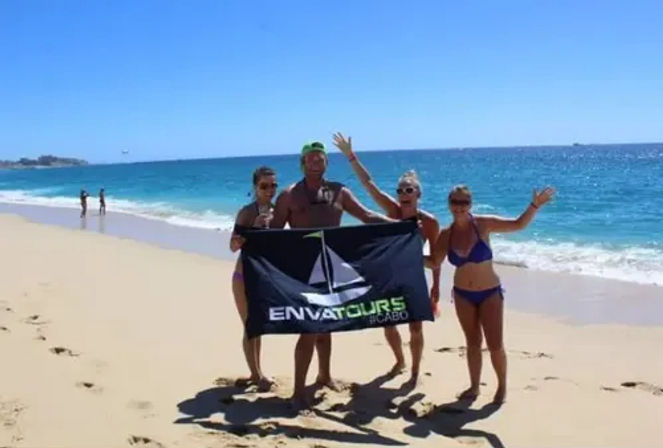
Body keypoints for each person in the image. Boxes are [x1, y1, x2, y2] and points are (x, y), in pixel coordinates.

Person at [269, 141, 396, 409]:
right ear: (302, 163)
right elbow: (274, 234)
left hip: (332, 268)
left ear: (327, 162)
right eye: (311, 159)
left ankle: (324, 375)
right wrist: (250, 233)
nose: (316, 162)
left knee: (325, 325)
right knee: (309, 329)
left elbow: (366, 216)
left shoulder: (339, 192)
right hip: (303, 271)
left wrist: (399, 226)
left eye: (320, 158)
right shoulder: (289, 195)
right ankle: (298, 392)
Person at [426, 184, 555, 404]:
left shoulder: (483, 225)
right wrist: (403, 255)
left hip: (490, 293)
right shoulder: (447, 234)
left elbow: (517, 225)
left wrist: (534, 205)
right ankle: (474, 387)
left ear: (470, 204)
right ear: (449, 204)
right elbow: (434, 262)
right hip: (462, 294)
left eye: (463, 202)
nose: (459, 207)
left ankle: (502, 386)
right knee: (473, 343)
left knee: (495, 344)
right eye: (455, 202)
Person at [333, 132, 440, 385]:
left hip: (413, 278)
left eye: (409, 190)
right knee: (388, 322)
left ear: (418, 194)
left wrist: (435, 285)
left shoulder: (430, 223)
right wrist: (351, 156)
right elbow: (369, 184)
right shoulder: (392, 211)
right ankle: (399, 360)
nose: (404, 193)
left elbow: (436, 258)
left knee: (416, 327)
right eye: (400, 190)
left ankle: (414, 371)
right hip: (388, 277)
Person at [229, 166, 278, 391]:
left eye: (273, 186)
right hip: (243, 276)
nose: (269, 190)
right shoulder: (247, 212)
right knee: (250, 326)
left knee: (260, 326)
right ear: (255, 187)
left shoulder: (278, 212)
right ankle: (257, 375)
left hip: (264, 277)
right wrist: (253, 230)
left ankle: (257, 372)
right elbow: (232, 246)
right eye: (264, 186)